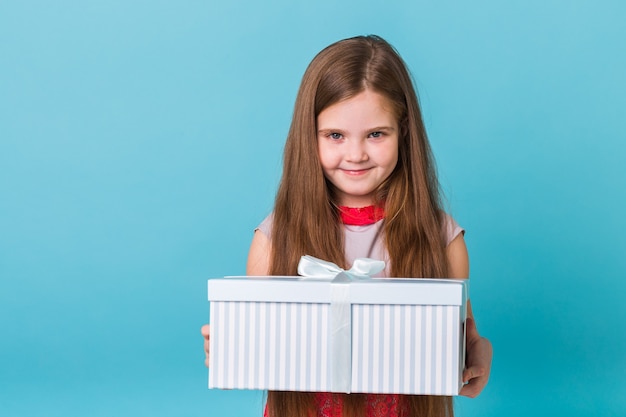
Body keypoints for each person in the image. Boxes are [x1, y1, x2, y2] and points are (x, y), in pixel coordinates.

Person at [201, 34, 492, 417]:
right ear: (310, 136)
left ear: (403, 132)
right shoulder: (274, 238)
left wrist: (476, 352)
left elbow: (460, 335)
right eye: (335, 135)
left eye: (376, 134)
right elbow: (264, 345)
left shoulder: (442, 239)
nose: (355, 154)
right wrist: (230, 346)